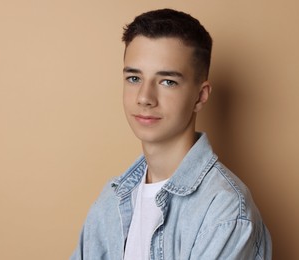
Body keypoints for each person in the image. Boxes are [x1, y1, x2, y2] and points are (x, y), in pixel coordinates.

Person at [71, 8, 272, 260]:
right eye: (134, 78)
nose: (144, 97)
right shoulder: (111, 201)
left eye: (167, 81)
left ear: (200, 96)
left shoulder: (225, 209)